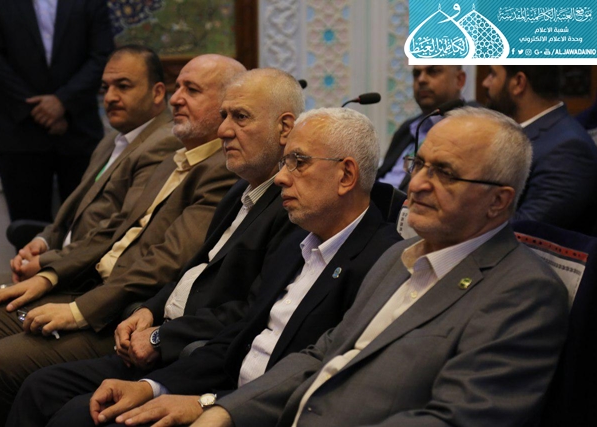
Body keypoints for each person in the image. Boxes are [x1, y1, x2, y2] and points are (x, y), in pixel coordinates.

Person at [7, 108, 402, 427]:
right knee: (77, 407)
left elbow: (320, 385)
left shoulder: (382, 263)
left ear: (346, 175)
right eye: (285, 162)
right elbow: (238, 338)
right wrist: (152, 387)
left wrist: (207, 403)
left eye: (298, 163)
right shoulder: (298, 243)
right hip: (218, 389)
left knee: (79, 415)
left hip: (253, 412)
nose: (282, 177)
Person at [193, 107, 569, 427]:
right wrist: (224, 411)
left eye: (445, 173)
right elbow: (323, 354)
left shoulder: (524, 292)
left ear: (498, 201)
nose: (417, 184)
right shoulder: (398, 257)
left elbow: (454, 419)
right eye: (419, 165)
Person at [0, 54, 244, 427]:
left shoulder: (221, 170)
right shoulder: (176, 157)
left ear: (226, 105)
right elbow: (113, 228)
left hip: (126, 311)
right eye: (178, 88)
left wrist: (77, 309)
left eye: (192, 90)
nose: (176, 99)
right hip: (96, 284)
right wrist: (49, 275)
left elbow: (167, 261)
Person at [0, 45, 181, 311]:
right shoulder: (111, 140)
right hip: (59, 265)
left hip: (85, 282)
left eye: (123, 86)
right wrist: (41, 243)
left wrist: (47, 263)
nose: (110, 97)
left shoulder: (163, 143)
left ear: (157, 92)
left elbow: (120, 230)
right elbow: (75, 212)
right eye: (105, 87)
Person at [0, 0, 114, 222]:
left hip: (79, 131)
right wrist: (39, 109)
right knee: (28, 231)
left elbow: (102, 55)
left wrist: (63, 102)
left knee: (87, 227)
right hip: (19, 135)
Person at [483, 65, 597, 234]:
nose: (485, 83)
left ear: (518, 83)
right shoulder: (518, 132)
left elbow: (525, 230)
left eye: (493, 74)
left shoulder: (568, 149)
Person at [376, 65, 467, 192]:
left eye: (433, 71)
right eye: (416, 73)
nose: (421, 79)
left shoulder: (473, 127)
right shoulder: (408, 127)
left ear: (459, 79)